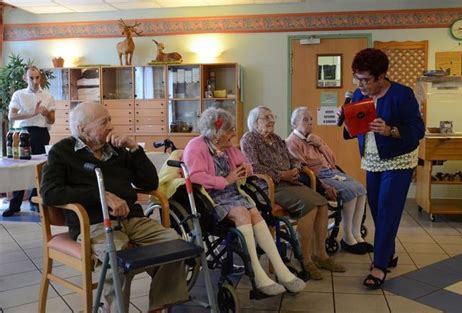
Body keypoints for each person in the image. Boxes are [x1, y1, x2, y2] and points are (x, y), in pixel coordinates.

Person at [40, 102, 188, 312]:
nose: (111, 125)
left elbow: (149, 184)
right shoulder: (62, 152)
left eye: (110, 120)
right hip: (93, 223)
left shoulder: (118, 150)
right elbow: (49, 193)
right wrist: (102, 196)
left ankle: (160, 305)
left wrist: (135, 149)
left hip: (132, 219)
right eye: (104, 122)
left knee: (175, 245)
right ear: (83, 129)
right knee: (117, 256)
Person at [183, 108, 306, 296]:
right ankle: (258, 275)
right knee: (242, 213)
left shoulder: (228, 148)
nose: (234, 133)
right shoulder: (196, 146)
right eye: (230, 130)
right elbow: (195, 176)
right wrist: (226, 180)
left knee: (255, 212)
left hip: (233, 194)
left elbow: (246, 164)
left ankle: (282, 271)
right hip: (209, 199)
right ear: (216, 134)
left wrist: (245, 169)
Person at [345, 48, 425, 289]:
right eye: (357, 78)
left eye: (366, 79)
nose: (361, 84)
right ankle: (388, 252)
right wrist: (348, 120)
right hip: (371, 160)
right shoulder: (359, 94)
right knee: (377, 212)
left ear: (381, 77)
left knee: (388, 210)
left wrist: (390, 130)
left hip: (397, 160)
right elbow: (352, 129)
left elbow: (417, 130)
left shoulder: (402, 94)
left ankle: (379, 266)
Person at [240, 106, 346, 280]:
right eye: (266, 117)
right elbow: (254, 167)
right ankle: (305, 259)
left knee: (322, 203)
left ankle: (321, 255)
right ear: (255, 121)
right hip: (267, 187)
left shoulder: (277, 139)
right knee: (310, 205)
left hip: (288, 182)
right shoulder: (249, 139)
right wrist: (282, 174)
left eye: (272, 116)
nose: (271, 120)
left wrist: (295, 170)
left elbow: (294, 160)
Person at [286, 107, 373, 255]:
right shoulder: (292, 142)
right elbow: (303, 168)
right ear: (294, 124)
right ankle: (347, 237)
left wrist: (320, 144)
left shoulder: (314, 138)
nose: (310, 123)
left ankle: (356, 234)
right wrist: (323, 183)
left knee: (361, 189)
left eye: (311, 119)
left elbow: (332, 160)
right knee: (351, 192)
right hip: (319, 177)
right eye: (305, 120)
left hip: (332, 172)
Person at [2, 66, 55, 217]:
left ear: (41, 78)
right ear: (25, 78)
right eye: (31, 78)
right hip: (22, 133)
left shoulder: (48, 96)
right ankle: (15, 204)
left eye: (37, 77)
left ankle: (35, 202)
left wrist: (45, 114)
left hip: (41, 132)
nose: (35, 81)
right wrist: (32, 113)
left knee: (40, 169)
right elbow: (12, 116)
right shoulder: (18, 94)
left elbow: (52, 120)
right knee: (19, 167)